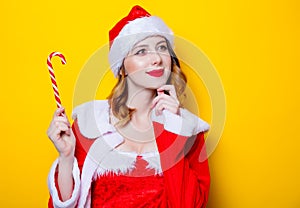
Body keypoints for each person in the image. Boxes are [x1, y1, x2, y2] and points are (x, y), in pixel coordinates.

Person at [47, 5, 210, 208]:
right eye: (141, 51)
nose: (157, 58)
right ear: (122, 65)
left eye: (162, 48)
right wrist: (66, 157)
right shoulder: (91, 121)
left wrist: (173, 128)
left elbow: (188, 205)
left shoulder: (188, 129)